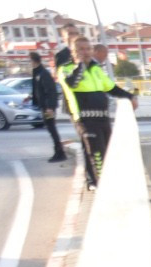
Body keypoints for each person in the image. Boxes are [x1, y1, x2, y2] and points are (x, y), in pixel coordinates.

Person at [58, 36, 137, 189]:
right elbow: (73, 83)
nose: (85, 52)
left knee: (107, 150)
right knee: (96, 153)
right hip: (84, 119)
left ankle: (96, 181)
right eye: (81, 49)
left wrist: (130, 97)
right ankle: (99, 184)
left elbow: (111, 88)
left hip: (102, 117)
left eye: (88, 49)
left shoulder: (96, 69)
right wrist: (80, 64)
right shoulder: (66, 69)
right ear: (73, 52)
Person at [29, 52, 66, 162]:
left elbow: (51, 91)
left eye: (29, 60)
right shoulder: (37, 73)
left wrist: (50, 107)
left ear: (33, 61)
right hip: (44, 106)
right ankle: (59, 151)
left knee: (52, 128)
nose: (28, 63)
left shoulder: (43, 73)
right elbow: (38, 89)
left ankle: (60, 152)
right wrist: (31, 96)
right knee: (51, 128)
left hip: (47, 107)